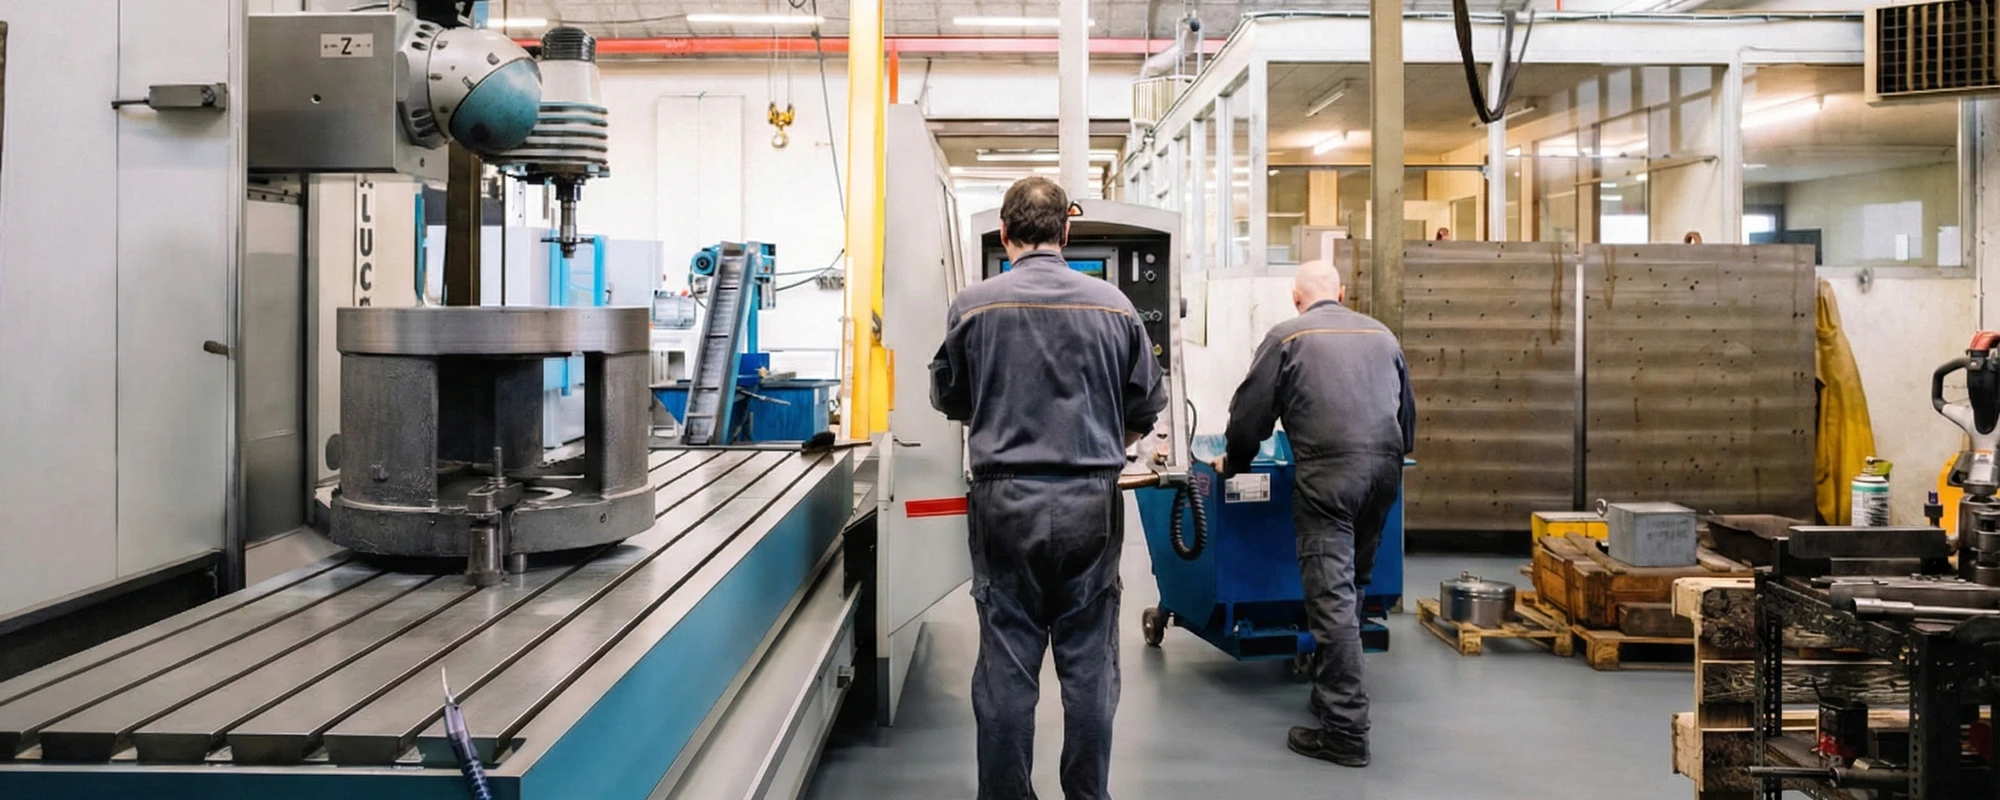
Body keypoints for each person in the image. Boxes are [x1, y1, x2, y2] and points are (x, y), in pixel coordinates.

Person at [930, 176, 1167, 800]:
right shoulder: (1115, 306)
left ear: (1003, 234)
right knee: (1090, 665)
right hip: (1092, 497)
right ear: (1066, 231)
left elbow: (948, 395)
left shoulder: (973, 305)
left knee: (1007, 664)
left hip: (1005, 501)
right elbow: (1147, 401)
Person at [1209, 259, 1414, 768]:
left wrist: (1233, 463)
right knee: (1355, 589)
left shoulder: (1287, 336)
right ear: (1340, 292)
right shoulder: (1383, 336)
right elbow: (1406, 417)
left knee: (1333, 602)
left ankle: (1346, 731)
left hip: (1329, 479)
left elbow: (1248, 417)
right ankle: (1329, 693)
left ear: (1297, 298)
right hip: (1385, 473)